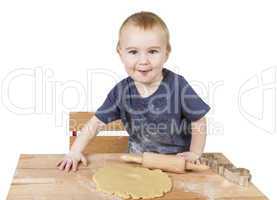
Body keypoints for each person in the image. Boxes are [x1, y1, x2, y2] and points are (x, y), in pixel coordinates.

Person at [57, 11, 210, 172]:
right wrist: (74, 151)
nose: (143, 61)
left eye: (152, 51)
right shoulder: (121, 92)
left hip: (176, 164)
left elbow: (199, 120)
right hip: (138, 162)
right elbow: (95, 123)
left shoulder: (178, 86)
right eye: (133, 52)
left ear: (166, 53)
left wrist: (194, 152)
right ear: (120, 53)